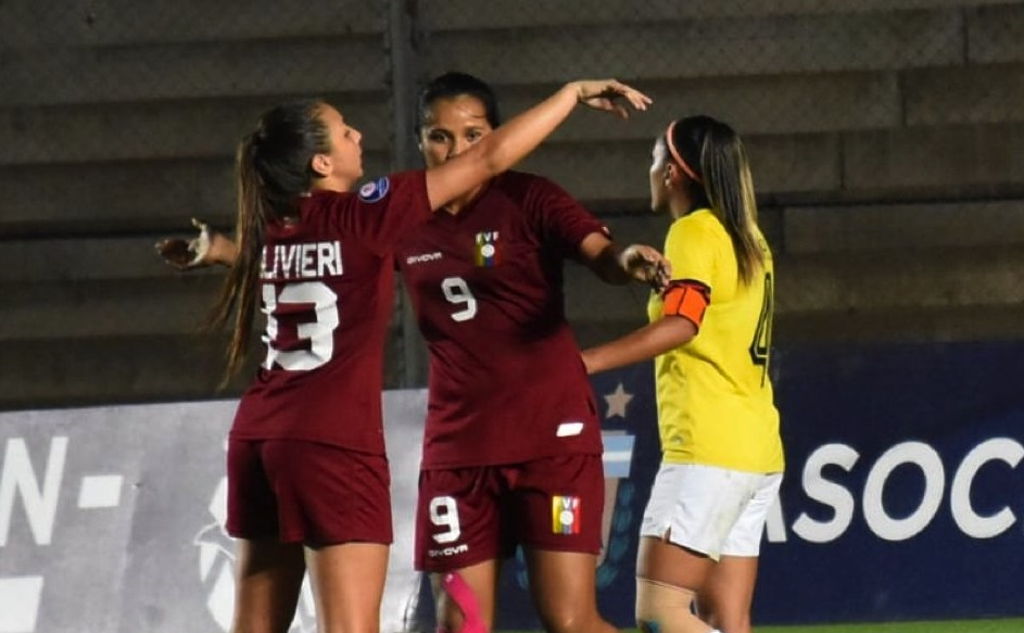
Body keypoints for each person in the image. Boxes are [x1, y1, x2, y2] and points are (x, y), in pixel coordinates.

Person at [162, 80, 653, 633]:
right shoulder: (379, 214)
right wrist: (570, 94)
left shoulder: (281, 222)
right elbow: (490, 157)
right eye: (345, 131)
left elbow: (295, 267)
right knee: (410, 625)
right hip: (365, 448)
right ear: (323, 161)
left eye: (472, 133)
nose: (358, 135)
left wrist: (222, 251)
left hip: (265, 437)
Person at [398, 72, 669, 633]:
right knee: (460, 625)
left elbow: (603, 255)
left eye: (473, 134)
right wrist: (227, 250)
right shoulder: (399, 213)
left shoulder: (530, 197)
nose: (456, 149)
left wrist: (630, 263)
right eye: (439, 136)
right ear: (420, 141)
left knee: (569, 621)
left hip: (551, 439)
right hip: (458, 452)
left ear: (497, 134)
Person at [581, 115, 784, 633]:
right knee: (726, 620)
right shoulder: (749, 239)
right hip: (756, 449)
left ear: (673, 172)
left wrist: (585, 361)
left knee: (659, 614)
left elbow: (682, 325)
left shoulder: (692, 231)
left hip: (708, 449)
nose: (649, 171)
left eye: (654, 160)